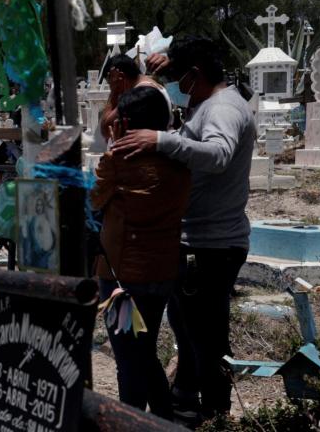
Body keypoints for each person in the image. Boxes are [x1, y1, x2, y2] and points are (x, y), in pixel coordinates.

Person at [112, 37, 257, 422]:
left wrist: (160, 139)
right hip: (197, 239)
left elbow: (219, 153)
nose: (174, 83)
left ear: (196, 74)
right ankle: (187, 400)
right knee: (188, 330)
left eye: (179, 76)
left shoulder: (223, 108)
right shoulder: (206, 103)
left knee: (206, 337)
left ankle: (214, 412)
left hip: (211, 243)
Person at [90, 86, 191, 419]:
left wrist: (114, 147)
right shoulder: (178, 158)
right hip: (160, 270)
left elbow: (95, 200)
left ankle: (129, 422)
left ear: (124, 124)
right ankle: (163, 419)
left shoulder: (117, 160)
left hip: (121, 277)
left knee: (128, 361)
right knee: (145, 352)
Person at [99, 54, 171, 141]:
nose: (111, 87)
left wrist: (114, 91)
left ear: (121, 77)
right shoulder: (148, 86)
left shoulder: (141, 95)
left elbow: (106, 130)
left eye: (110, 83)